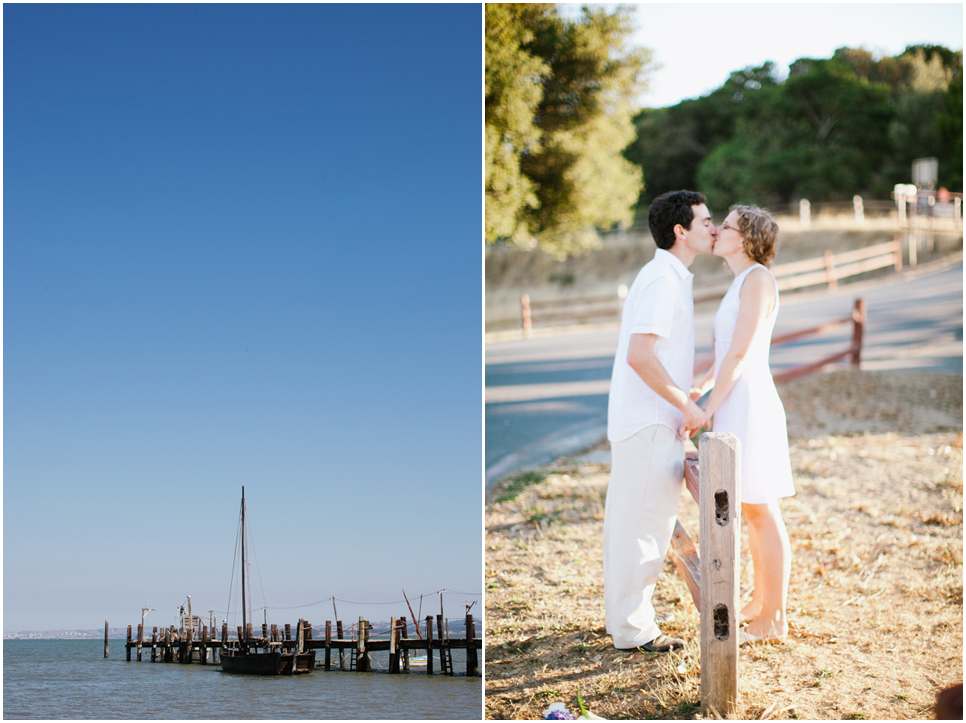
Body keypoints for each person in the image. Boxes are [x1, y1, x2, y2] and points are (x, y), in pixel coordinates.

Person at [603, 190, 715, 652]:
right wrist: (685, 406)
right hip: (648, 423)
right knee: (644, 528)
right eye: (706, 221)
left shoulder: (668, 277)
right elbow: (639, 355)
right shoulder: (661, 280)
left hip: (649, 418)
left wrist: (682, 394)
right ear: (680, 230)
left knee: (634, 524)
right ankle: (633, 631)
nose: (714, 227)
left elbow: (655, 356)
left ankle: (623, 622)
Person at [688, 204, 795, 644]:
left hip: (749, 402)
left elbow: (740, 354)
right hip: (735, 398)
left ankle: (774, 619)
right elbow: (722, 353)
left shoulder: (758, 280)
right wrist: (698, 385)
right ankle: (758, 600)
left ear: (746, 239)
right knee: (748, 510)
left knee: (761, 509)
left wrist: (708, 406)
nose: (717, 231)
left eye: (726, 226)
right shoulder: (739, 282)